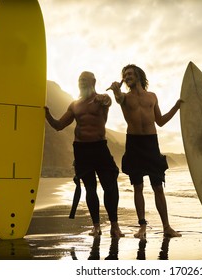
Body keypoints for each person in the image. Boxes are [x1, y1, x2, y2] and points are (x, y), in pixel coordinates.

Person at [45, 71, 124, 238]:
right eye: (80, 80)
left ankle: (114, 225)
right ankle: (96, 226)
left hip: (100, 148)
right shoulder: (75, 104)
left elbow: (108, 101)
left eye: (85, 80)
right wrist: (47, 114)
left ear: (93, 81)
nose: (82, 82)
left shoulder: (102, 100)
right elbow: (59, 125)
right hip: (81, 150)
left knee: (110, 186)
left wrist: (107, 98)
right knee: (90, 188)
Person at [108, 64, 182, 238]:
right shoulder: (124, 97)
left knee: (158, 187)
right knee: (138, 187)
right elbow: (118, 99)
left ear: (139, 76)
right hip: (134, 144)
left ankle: (167, 227)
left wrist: (176, 107)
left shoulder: (152, 96)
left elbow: (161, 121)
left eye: (130, 73)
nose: (127, 76)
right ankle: (142, 227)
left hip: (151, 144)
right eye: (124, 74)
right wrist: (115, 90)